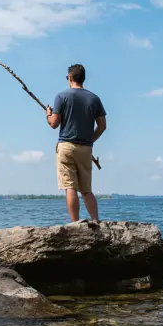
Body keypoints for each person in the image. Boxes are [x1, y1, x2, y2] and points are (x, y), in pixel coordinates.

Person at [46, 64, 106, 223]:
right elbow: (102, 126)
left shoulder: (61, 96)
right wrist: (90, 140)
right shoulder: (94, 99)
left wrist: (48, 115)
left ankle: (75, 223)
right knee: (86, 190)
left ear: (70, 78)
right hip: (86, 148)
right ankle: (95, 220)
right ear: (83, 78)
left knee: (70, 187)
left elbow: (54, 124)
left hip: (66, 145)